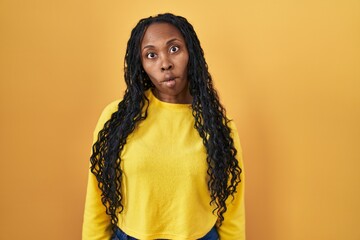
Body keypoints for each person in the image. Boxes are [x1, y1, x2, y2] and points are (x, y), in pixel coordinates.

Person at [82, 13, 245, 240]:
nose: (165, 63)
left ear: (191, 53)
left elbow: (232, 208)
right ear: (141, 65)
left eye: (174, 49)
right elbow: (98, 198)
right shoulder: (116, 118)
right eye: (151, 55)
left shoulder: (218, 127)